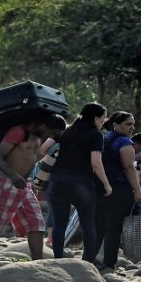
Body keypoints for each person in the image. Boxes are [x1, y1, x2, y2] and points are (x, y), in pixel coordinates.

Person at [0, 114, 66, 260]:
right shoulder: (19, 132)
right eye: (52, 132)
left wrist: (32, 183)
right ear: (43, 126)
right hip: (6, 183)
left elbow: (31, 158)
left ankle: (37, 263)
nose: (51, 136)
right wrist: (12, 175)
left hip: (25, 185)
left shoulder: (38, 137)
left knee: (36, 223)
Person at [47, 103, 111, 263]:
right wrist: (106, 184)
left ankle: (57, 260)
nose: (105, 120)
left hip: (58, 182)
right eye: (103, 117)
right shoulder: (96, 134)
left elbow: (43, 149)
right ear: (96, 118)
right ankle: (88, 263)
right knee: (88, 225)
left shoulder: (67, 130)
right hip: (81, 184)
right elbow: (96, 162)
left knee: (59, 224)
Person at [98, 111, 141, 270]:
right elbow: (129, 167)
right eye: (128, 124)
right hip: (118, 189)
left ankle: (90, 260)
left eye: (133, 124)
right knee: (114, 228)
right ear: (116, 125)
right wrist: (138, 191)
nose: (132, 127)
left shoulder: (103, 139)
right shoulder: (125, 142)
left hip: (100, 188)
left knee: (99, 226)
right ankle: (109, 264)